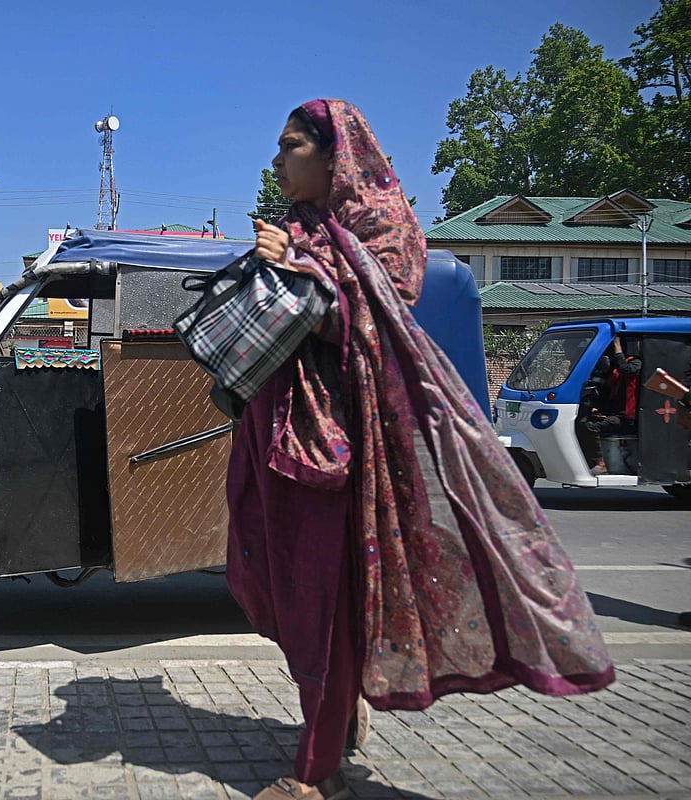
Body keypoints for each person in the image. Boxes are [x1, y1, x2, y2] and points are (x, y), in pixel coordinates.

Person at [226, 100, 614, 800]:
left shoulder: (384, 228)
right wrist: (275, 264)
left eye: (291, 147)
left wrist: (299, 269)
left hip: (351, 448)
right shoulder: (294, 231)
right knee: (278, 590)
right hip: (279, 437)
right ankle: (338, 713)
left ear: (334, 153)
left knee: (325, 603)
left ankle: (316, 773)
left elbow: (363, 322)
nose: (278, 162)